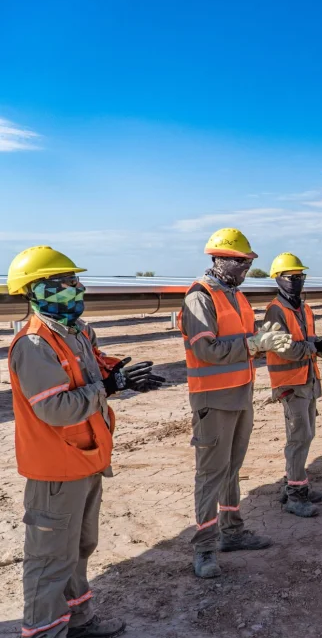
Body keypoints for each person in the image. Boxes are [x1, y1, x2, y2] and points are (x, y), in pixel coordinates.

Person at [7, 245, 165, 638]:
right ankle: (44, 631)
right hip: (55, 469)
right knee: (49, 559)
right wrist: (106, 389)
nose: (77, 288)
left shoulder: (75, 333)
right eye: (65, 283)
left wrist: (119, 374)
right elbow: (56, 408)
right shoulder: (33, 345)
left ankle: (77, 620)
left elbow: (89, 369)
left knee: (79, 547)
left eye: (75, 281)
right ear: (38, 290)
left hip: (84, 458)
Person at [179, 228, 293, 579]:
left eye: (248, 261)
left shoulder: (235, 295)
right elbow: (205, 349)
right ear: (219, 259)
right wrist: (253, 344)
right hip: (213, 399)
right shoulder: (201, 296)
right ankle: (205, 548)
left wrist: (263, 341)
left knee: (231, 470)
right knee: (211, 474)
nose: (246, 267)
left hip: (240, 393)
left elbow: (247, 340)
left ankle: (232, 530)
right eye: (241, 261)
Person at [264, 253, 322, 518]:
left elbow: (306, 339)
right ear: (278, 279)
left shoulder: (301, 307)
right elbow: (283, 346)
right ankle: (295, 494)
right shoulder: (276, 310)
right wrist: (316, 347)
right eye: (292, 277)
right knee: (299, 438)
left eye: (300, 276)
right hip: (291, 383)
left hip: (307, 380)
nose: (298, 281)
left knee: (305, 436)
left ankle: (295, 483)